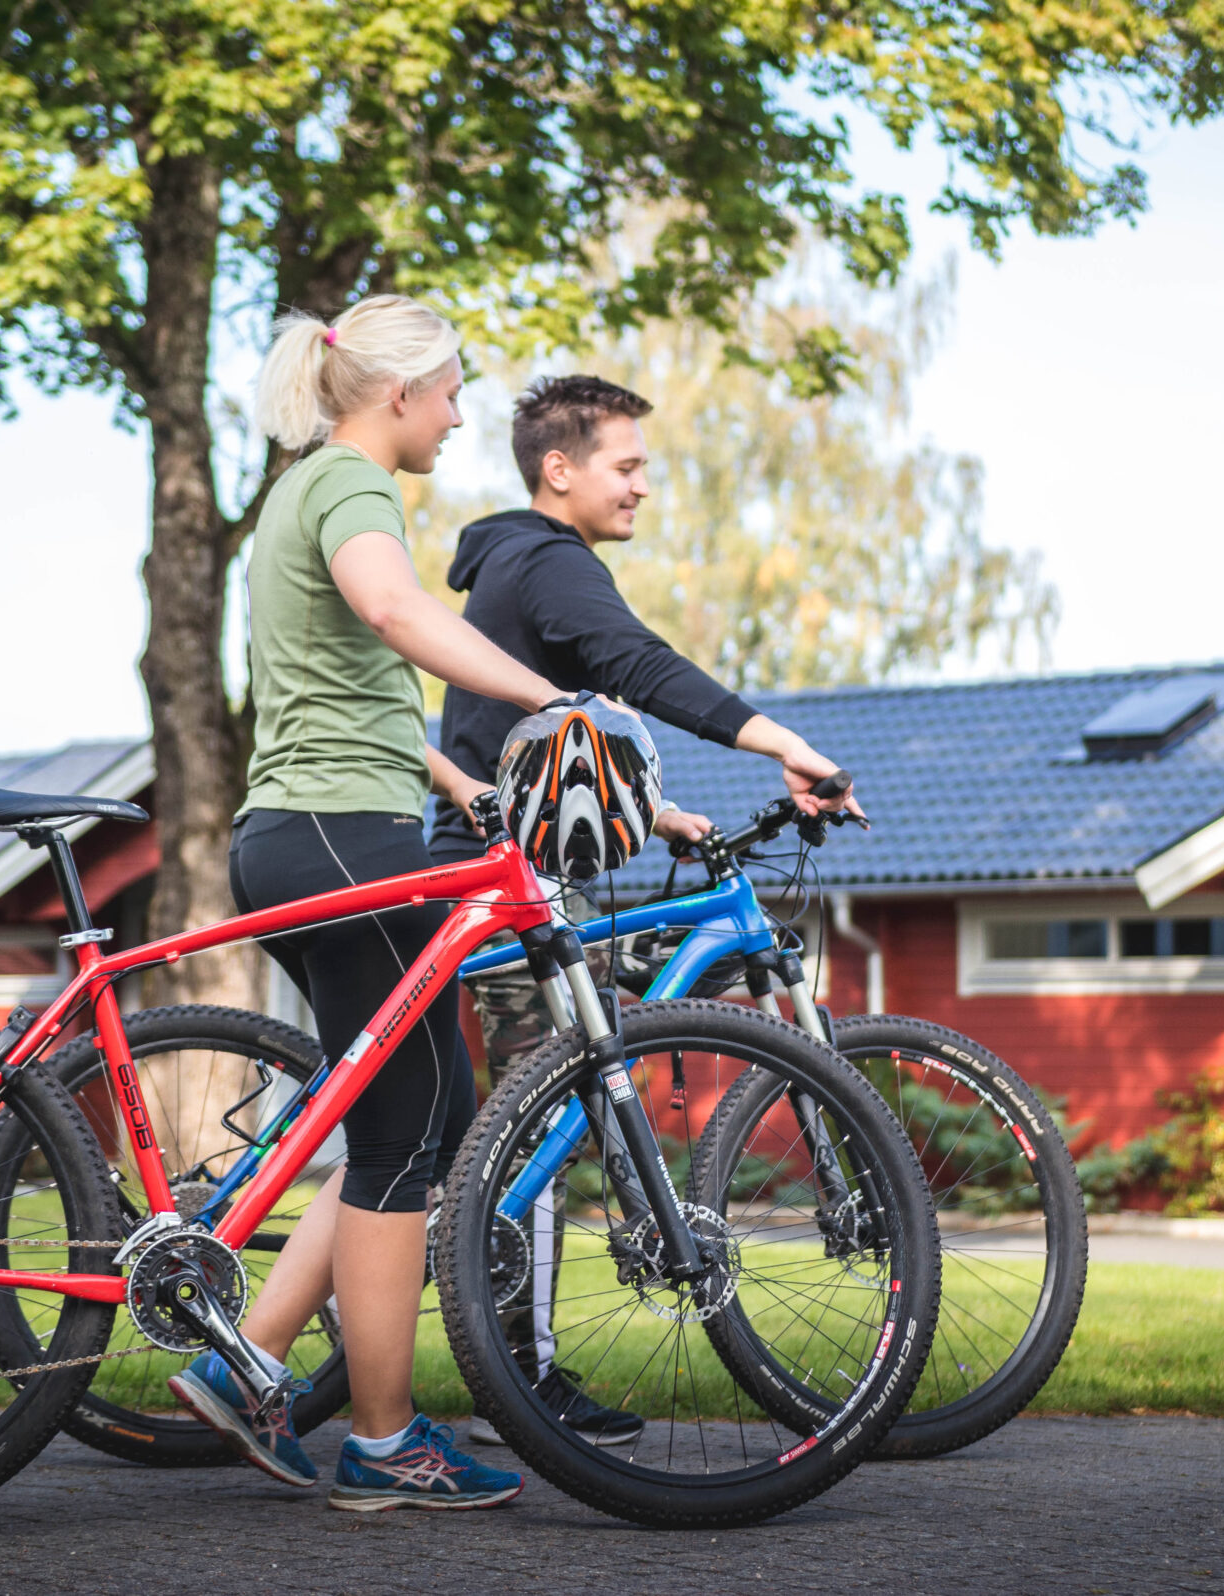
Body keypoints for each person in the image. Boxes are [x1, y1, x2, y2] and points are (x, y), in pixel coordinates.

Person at [427, 374, 863, 1445]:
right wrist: (781, 743)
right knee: (535, 1121)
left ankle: (465, 1330)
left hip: (514, 863)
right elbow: (640, 668)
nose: (644, 489)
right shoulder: (545, 560)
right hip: (501, 876)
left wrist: (656, 812)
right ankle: (516, 1382)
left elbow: (544, 738)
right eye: (627, 467)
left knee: (517, 1116)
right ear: (559, 469)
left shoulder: (516, 566)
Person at [166, 294, 549, 1512]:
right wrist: (556, 704)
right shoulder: (353, 487)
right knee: (400, 1140)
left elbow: (348, 682)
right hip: (343, 844)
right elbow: (395, 613)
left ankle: (249, 1362)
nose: (456, 416)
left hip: (313, 830)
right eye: (450, 393)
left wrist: (459, 778)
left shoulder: (299, 487)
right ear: (398, 395)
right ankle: (385, 1444)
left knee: (419, 1119)